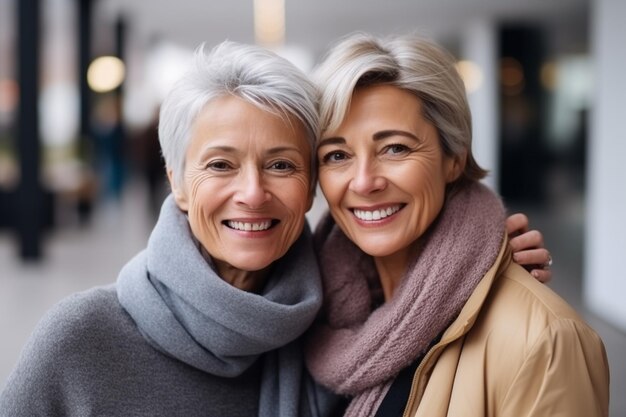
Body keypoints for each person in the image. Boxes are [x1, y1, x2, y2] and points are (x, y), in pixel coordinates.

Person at [0, 40, 549, 417]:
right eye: (220, 164)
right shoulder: (79, 340)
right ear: (178, 182)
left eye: (282, 165)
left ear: (310, 184)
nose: (254, 192)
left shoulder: (341, 327)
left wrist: (478, 268)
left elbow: (427, 306)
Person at [305, 33, 609, 417]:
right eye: (337, 154)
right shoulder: (312, 307)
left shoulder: (544, 339)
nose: (364, 181)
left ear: (453, 158)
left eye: (395, 148)